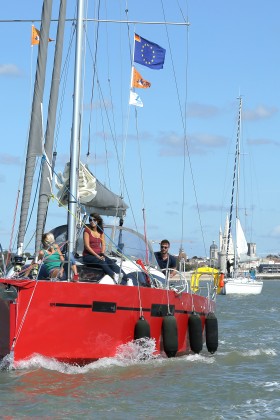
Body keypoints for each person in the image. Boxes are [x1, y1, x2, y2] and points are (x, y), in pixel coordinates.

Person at [83, 213, 127, 284]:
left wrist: (102, 254)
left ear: (97, 221)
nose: (92, 221)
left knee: (111, 262)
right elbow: (87, 246)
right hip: (88, 256)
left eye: (94, 220)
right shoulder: (87, 230)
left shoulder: (101, 231)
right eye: (90, 220)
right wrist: (97, 256)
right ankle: (113, 275)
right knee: (102, 262)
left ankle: (127, 279)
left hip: (99, 255)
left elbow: (103, 244)